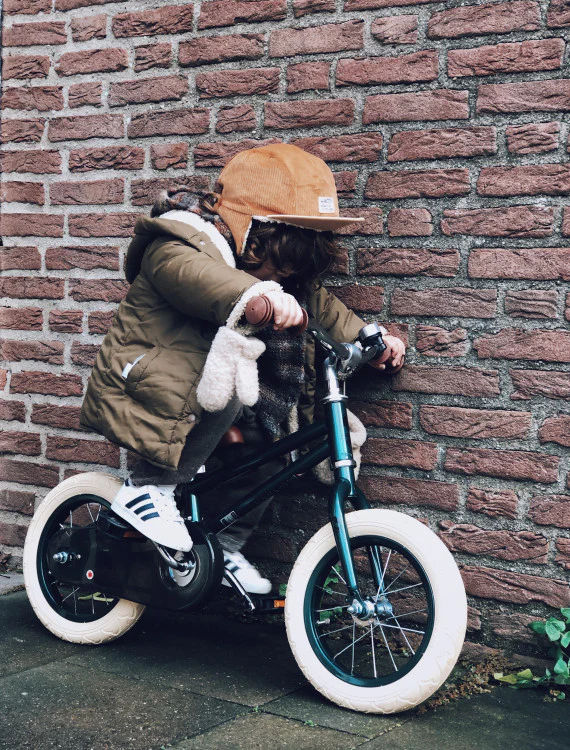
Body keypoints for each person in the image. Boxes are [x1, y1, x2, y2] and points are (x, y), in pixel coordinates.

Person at [79, 143, 405, 594]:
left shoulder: (282, 281)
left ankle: (224, 545)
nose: (283, 275)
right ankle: (147, 488)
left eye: (293, 267)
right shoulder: (178, 241)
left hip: (215, 399)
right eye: (278, 260)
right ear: (250, 230)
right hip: (151, 381)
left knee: (271, 450)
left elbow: (324, 309)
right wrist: (255, 297)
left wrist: (372, 338)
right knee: (229, 389)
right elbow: (199, 278)